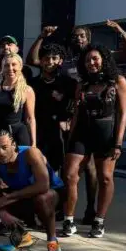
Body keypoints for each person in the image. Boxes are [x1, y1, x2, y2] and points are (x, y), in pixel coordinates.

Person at [62, 45, 126, 238]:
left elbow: (123, 114)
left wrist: (118, 143)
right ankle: (68, 220)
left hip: (106, 134)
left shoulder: (118, 81)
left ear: (104, 60)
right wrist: (70, 137)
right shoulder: (82, 84)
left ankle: (99, 221)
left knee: (105, 177)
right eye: (87, 60)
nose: (91, 63)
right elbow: (76, 113)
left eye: (95, 59)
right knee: (70, 175)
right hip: (82, 133)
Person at [0, 130, 64, 251]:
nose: (0, 153)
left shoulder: (30, 153)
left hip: (52, 194)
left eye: (4, 147)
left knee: (42, 198)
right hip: (24, 194)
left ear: (14, 145)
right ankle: (23, 237)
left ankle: (52, 242)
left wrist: (8, 198)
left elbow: (43, 185)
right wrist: (1, 210)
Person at [31, 44, 75, 179]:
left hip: (60, 133)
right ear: (40, 61)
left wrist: (69, 119)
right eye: (46, 58)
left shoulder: (69, 83)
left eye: (54, 58)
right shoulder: (33, 84)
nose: (50, 62)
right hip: (39, 132)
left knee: (62, 171)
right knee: (39, 169)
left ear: (60, 60)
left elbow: (76, 105)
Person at [0, 53, 35, 147]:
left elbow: (30, 119)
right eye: (7, 65)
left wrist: (34, 143)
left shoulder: (27, 90)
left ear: (20, 66)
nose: (10, 68)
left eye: (14, 64)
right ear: (2, 68)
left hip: (18, 135)